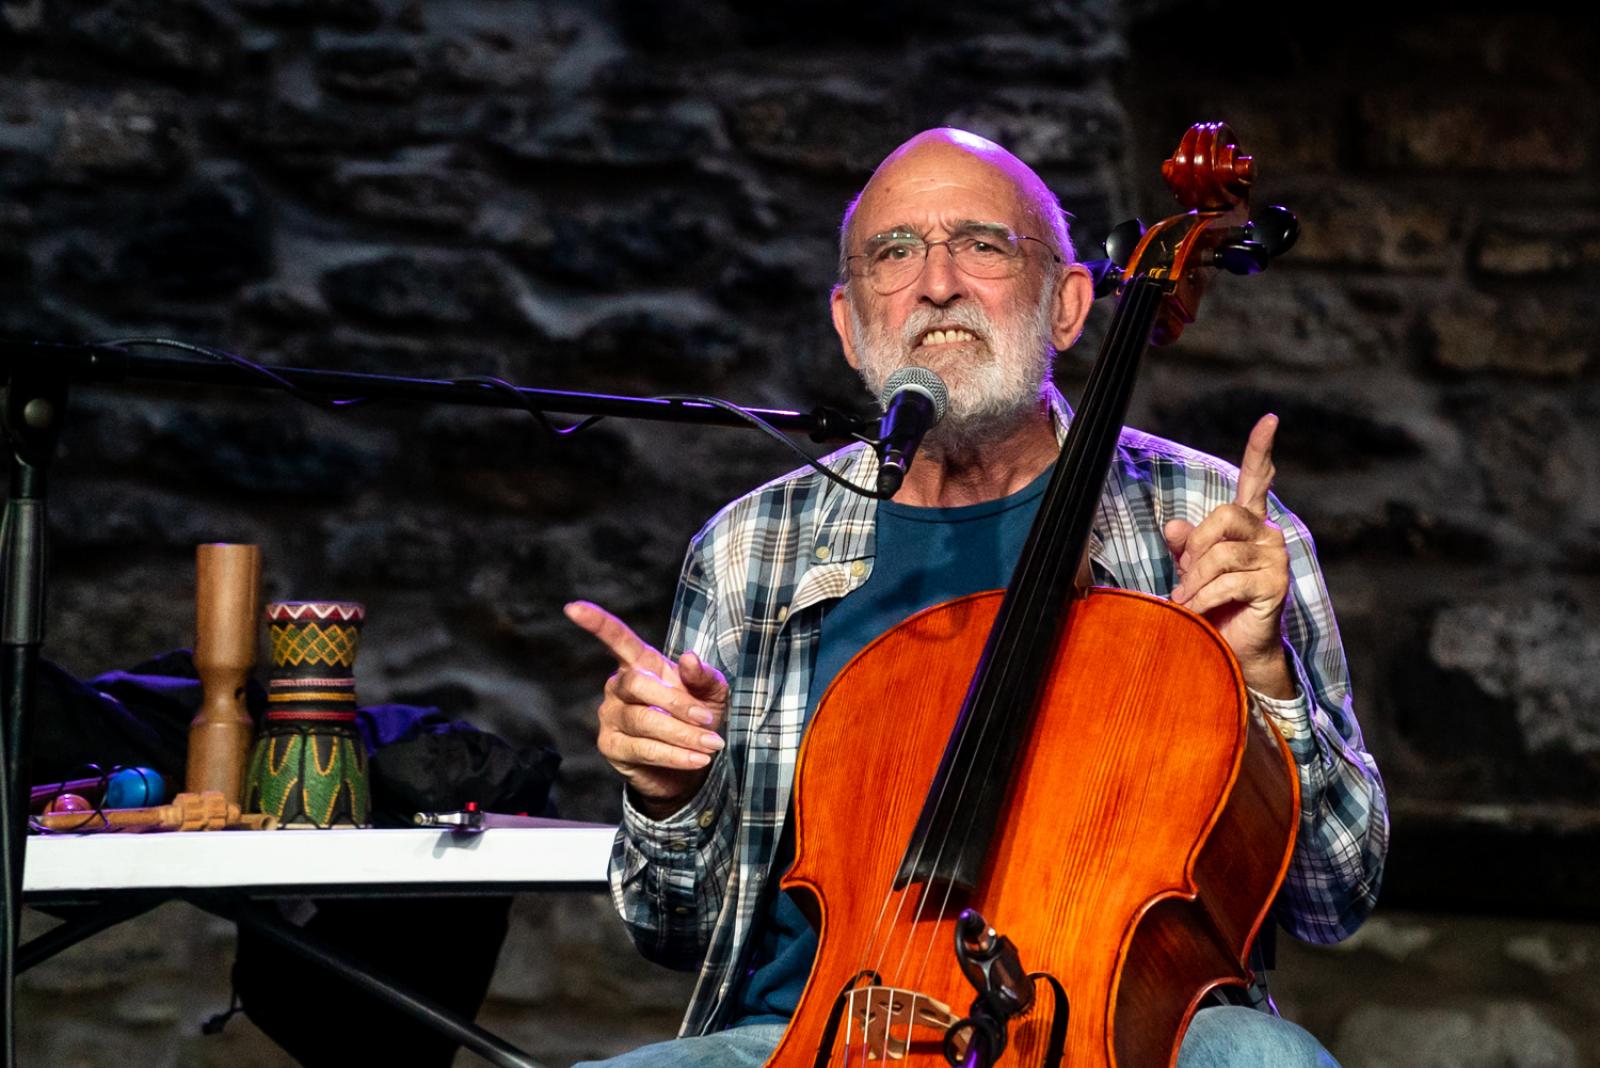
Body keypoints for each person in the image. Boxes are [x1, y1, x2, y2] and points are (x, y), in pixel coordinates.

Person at [565, 128, 1387, 1068]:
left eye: (983, 244)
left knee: (1265, 1061)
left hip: (1119, 1035)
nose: (938, 282)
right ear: (847, 322)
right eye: (895, 251)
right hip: (808, 1036)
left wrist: (1262, 678)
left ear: (1070, 304)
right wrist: (667, 797)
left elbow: (1336, 895)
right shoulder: (752, 547)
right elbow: (671, 930)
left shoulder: (1222, 524)